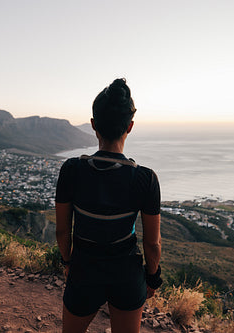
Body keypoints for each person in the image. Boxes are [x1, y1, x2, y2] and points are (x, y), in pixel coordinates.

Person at [55, 78, 162, 333]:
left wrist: (68, 262)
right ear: (130, 126)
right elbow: (152, 243)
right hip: (126, 273)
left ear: (93, 125)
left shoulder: (72, 169)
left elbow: (62, 231)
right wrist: (152, 278)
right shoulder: (145, 178)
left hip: (83, 269)